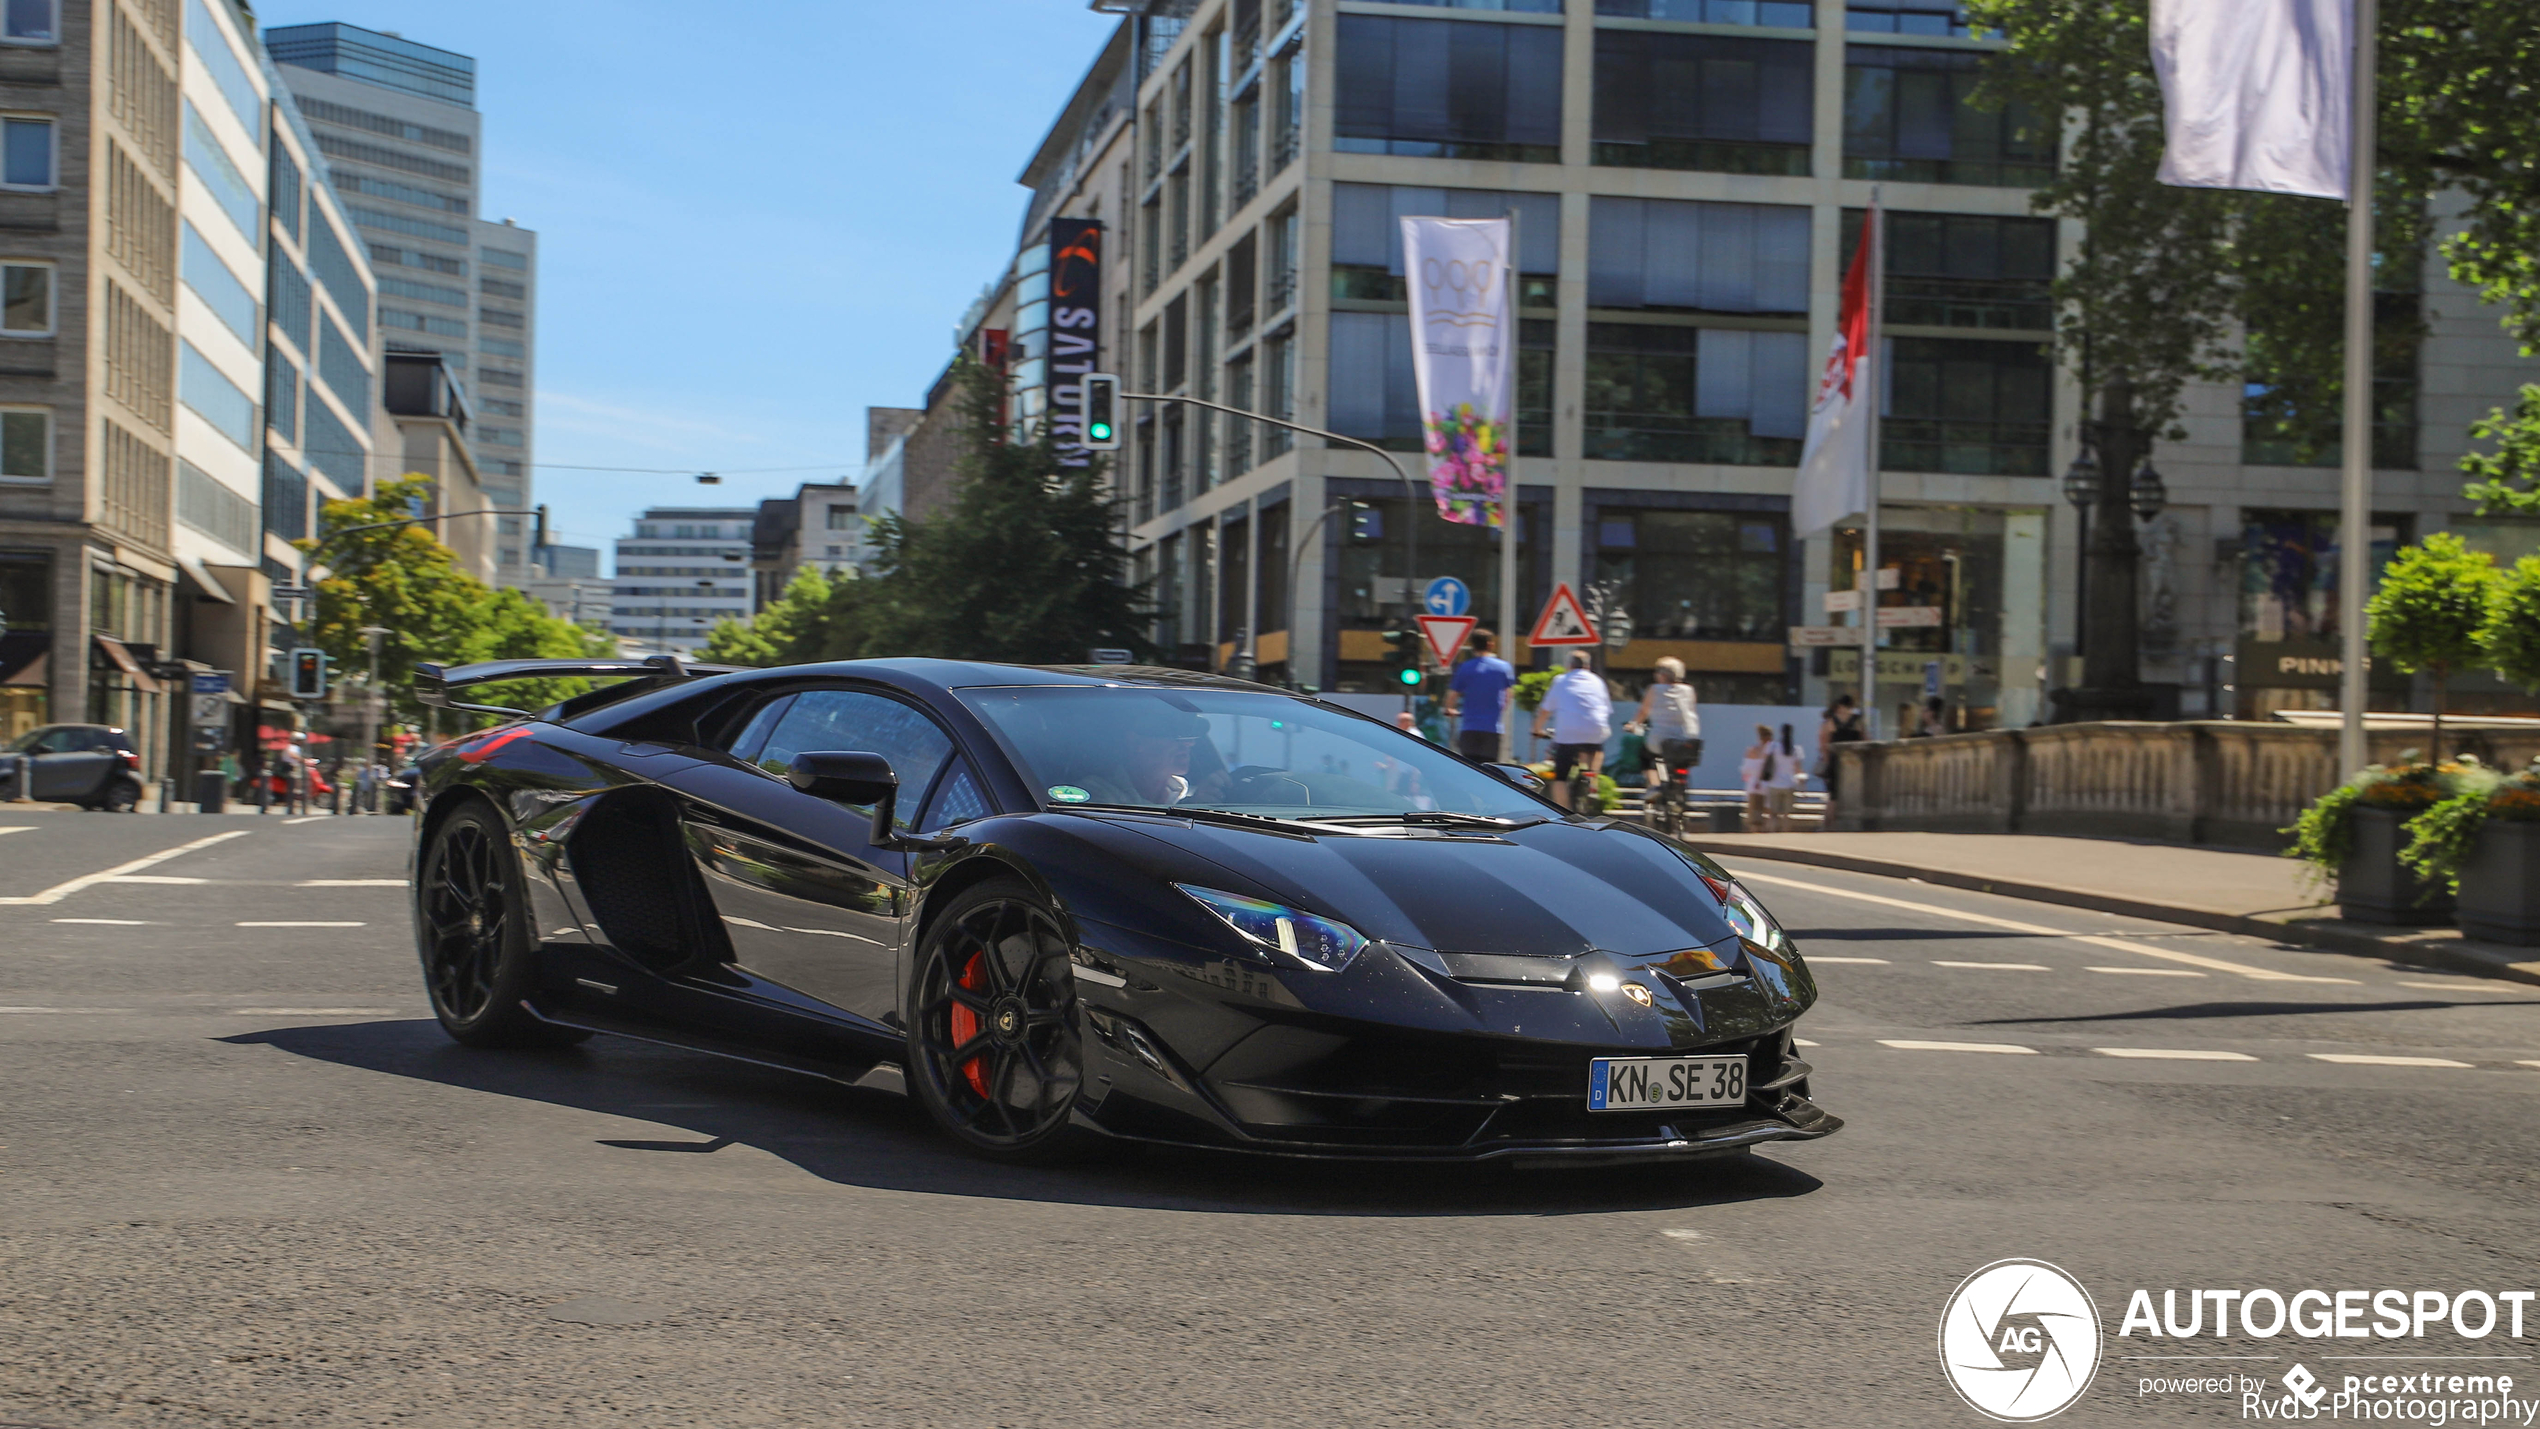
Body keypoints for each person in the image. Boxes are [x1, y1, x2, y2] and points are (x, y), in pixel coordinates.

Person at [1074, 703, 1224, 807]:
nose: (1189, 744)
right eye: (1174, 735)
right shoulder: (1097, 793)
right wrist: (1192, 808)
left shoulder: (1182, 790)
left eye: (1190, 737)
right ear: (1137, 742)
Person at [1529, 651, 1611, 810]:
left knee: (1560, 778)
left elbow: (1545, 710)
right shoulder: (1598, 681)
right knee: (1595, 748)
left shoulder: (1561, 680)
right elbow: (1606, 709)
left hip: (1568, 733)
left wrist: (1537, 729)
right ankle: (1592, 778)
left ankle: (1564, 812)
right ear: (1588, 666)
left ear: (1569, 666)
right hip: (1595, 730)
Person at [1442, 629, 1516, 763]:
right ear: (1490, 644)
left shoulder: (1465, 667)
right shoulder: (1504, 668)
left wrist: (1449, 709)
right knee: (1489, 769)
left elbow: (1452, 694)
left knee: (1470, 768)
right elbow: (1508, 695)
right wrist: (1499, 709)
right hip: (1492, 729)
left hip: (1469, 728)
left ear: (1472, 646)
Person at [1627, 656, 1702, 779]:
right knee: (1681, 761)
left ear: (1662, 674)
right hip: (1687, 737)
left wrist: (1634, 724)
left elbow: (1644, 711)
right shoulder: (1689, 690)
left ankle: (1654, 787)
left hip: (1661, 738)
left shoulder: (1655, 689)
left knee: (1646, 757)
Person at [1817, 694, 1865, 829]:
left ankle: (1828, 824)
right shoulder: (1857, 721)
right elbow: (1865, 739)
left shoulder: (1831, 721)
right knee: (1853, 794)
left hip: (1834, 760)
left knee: (1833, 796)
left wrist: (1826, 761)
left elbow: (1823, 743)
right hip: (1854, 762)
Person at [1763, 722, 1808, 832]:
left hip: (1774, 783)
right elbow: (1798, 769)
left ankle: (1773, 835)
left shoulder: (1773, 746)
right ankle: (1785, 835)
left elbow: (1765, 762)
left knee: (1773, 814)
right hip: (1789, 784)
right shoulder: (1796, 749)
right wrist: (1802, 785)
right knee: (1787, 815)